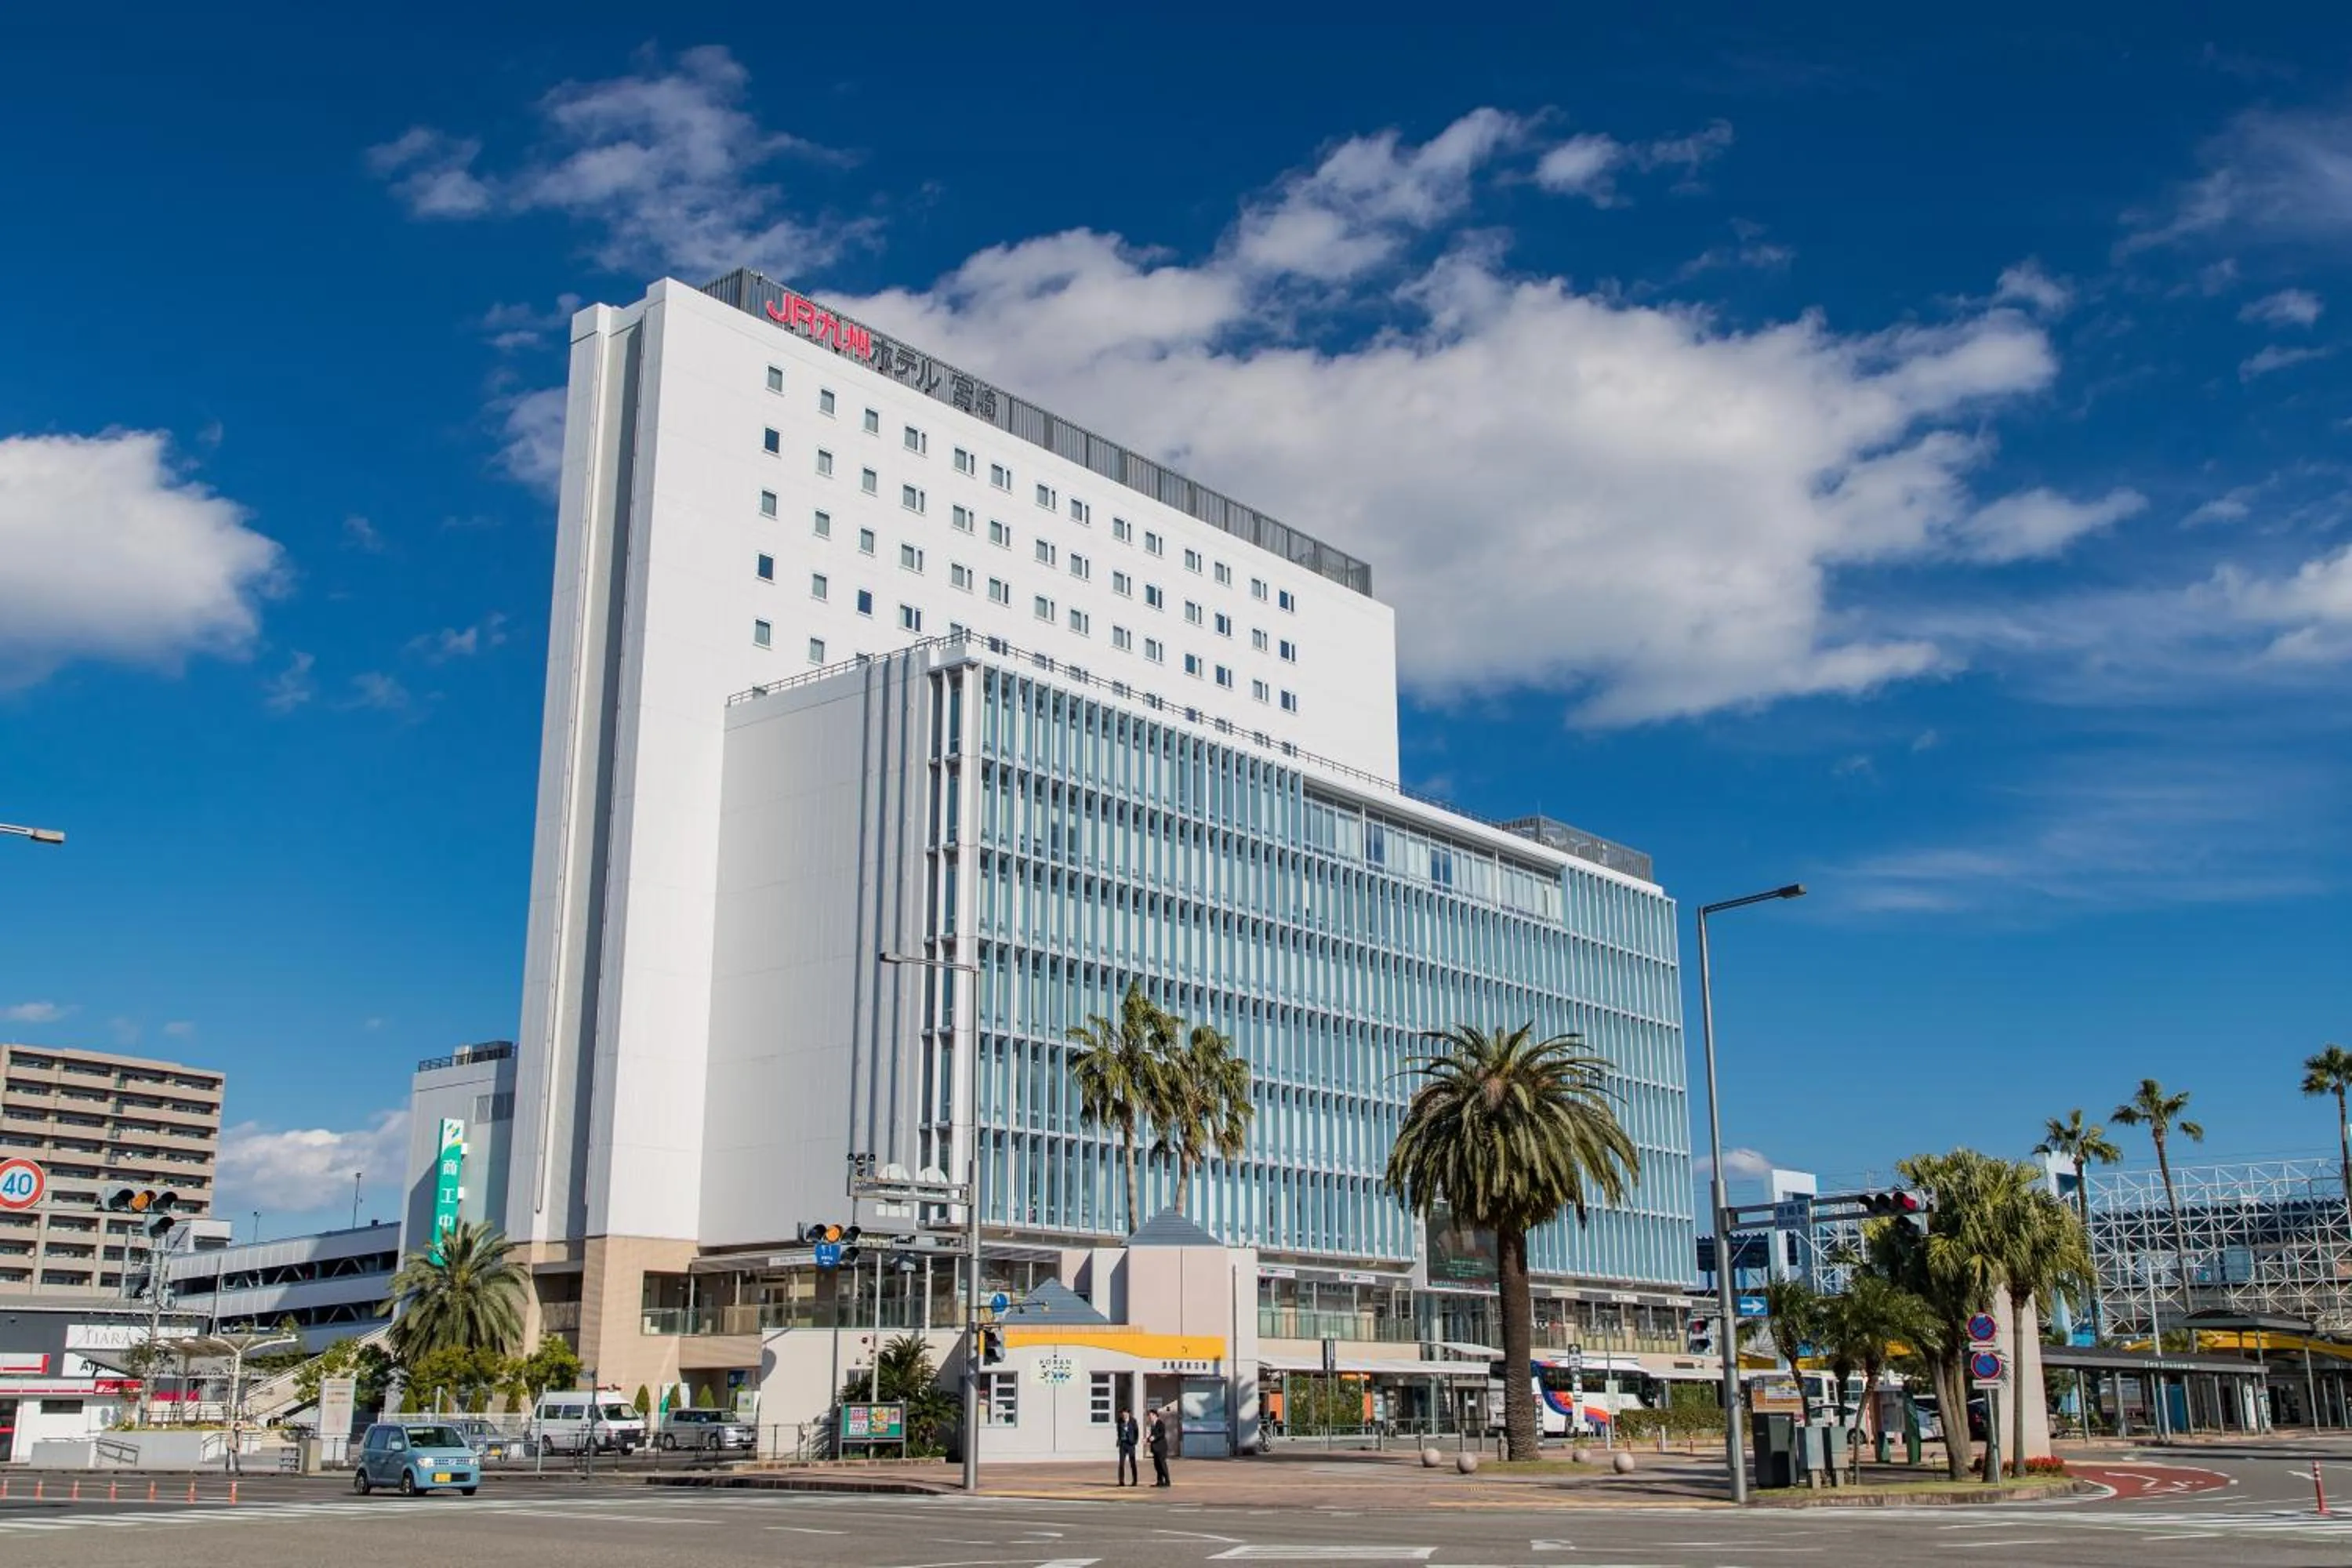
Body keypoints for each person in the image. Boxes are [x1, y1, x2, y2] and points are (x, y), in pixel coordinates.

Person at [1115, 1406, 1141, 1486]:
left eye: (1125, 1413)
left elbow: (1136, 1432)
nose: (1124, 1415)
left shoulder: (1133, 1421)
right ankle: (1121, 1481)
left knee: (1132, 1462)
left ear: (1128, 1413)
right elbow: (1118, 1431)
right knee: (1121, 1463)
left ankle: (1135, 1481)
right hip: (1123, 1444)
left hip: (1130, 1444)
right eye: (1122, 1414)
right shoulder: (1120, 1421)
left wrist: (1135, 1441)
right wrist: (1119, 1440)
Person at [1148, 1406, 1171, 1487]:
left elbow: (1162, 1433)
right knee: (1157, 1465)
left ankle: (1167, 1481)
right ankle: (1160, 1481)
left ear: (1155, 1415)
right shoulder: (1153, 1424)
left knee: (1162, 1465)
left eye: (1150, 1415)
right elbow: (1152, 1436)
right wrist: (1147, 1439)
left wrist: (1154, 1437)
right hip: (1155, 1448)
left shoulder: (1160, 1423)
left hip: (1161, 1448)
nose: (1149, 1417)